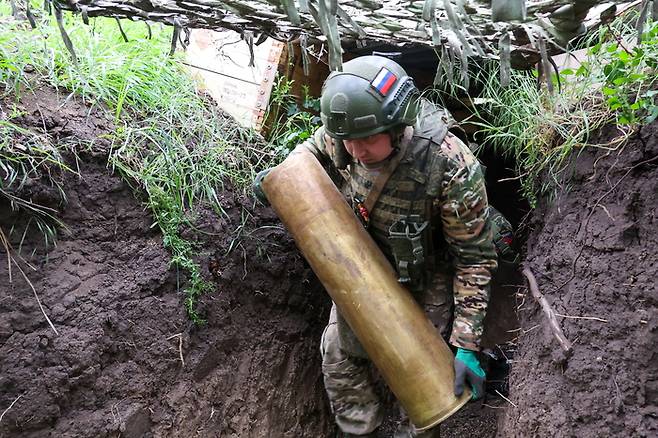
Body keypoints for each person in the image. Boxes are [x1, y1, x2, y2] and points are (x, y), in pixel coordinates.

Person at [255, 55, 506, 437]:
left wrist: (466, 343)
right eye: (347, 141)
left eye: (368, 140)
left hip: (426, 271)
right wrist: (279, 177)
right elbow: (309, 152)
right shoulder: (346, 133)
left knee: (425, 386)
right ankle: (362, 432)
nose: (356, 152)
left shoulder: (448, 162)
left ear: (397, 125)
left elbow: (473, 258)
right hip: (363, 266)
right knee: (339, 358)